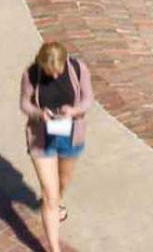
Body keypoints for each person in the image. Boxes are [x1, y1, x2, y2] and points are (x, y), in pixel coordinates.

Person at [20, 41, 94, 252]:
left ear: (65, 62)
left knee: (62, 183)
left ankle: (55, 204)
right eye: (48, 71)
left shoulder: (78, 69)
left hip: (70, 136)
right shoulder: (31, 74)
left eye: (58, 71)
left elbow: (89, 99)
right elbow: (24, 103)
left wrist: (75, 110)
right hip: (41, 138)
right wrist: (38, 113)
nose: (53, 76)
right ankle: (54, 248)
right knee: (49, 194)